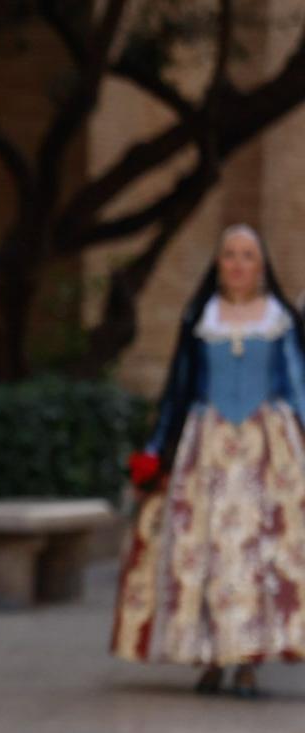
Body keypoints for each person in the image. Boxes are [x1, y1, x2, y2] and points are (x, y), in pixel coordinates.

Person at [112, 224, 305, 696]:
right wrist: (155, 453)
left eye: (247, 256)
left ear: (261, 266)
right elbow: (177, 393)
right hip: (207, 451)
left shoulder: (279, 319)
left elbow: (300, 389)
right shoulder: (201, 318)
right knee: (207, 554)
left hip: (267, 454)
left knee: (257, 554)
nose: (238, 264)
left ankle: (246, 660)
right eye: (230, 255)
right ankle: (211, 656)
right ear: (218, 264)